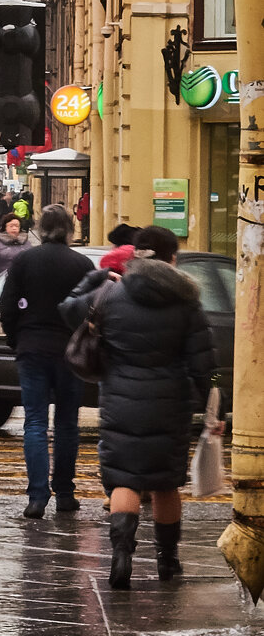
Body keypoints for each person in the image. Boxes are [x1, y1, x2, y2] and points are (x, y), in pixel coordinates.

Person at [59, 226, 218, 589]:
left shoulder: (112, 293)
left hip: (120, 400)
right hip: (170, 403)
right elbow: (202, 361)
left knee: (124, 478)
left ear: (136, 254)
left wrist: (97, 276)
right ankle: (167, 560)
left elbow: (68, 310)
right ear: (172, 258)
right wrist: (207, 404)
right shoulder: (187, 301)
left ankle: (121, 556)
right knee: (165, 484)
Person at [0, 205, 96, 518]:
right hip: (69, 353)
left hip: (33, 348)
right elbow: (91, 310)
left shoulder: (25, 260)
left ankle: (37, 496)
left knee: (36, 422)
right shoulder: (81, 263)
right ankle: (65, 493)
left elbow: (9, 305)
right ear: (69, 230)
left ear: (40, 229)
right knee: (67, 423)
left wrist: (18, 340)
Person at [0, 213, 32, 279]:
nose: (14, 228)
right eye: (11, 226)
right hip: (1, 281)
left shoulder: (26, 243)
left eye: (17, 226)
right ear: (5, 227)